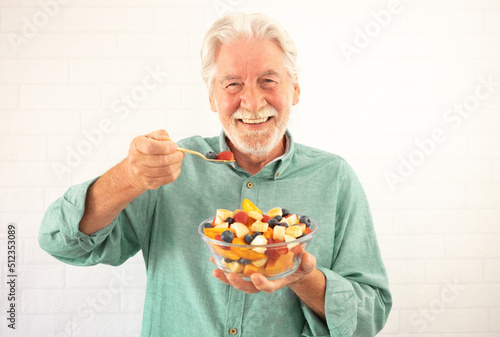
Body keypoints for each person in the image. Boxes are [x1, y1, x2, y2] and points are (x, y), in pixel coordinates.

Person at [39, 13, 392, 337]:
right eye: (233, 84)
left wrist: (302, 277)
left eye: (268, 80)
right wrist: (127, 177)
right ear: (212, 96)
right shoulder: (169, 169)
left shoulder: (334, 178)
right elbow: (61, 241)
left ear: (294, 89)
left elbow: (369, 316)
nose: (253, 102)